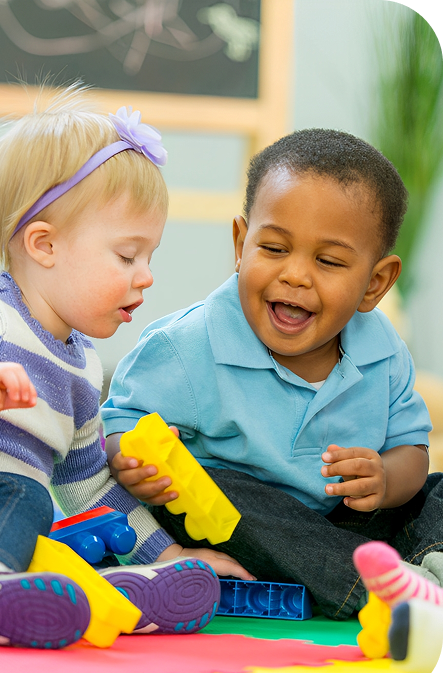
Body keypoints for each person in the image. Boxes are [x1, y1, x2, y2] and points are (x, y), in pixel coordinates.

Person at [0, 86, 227, 648]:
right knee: (22, 499)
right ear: (45, 244)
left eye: (150, 257)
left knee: (59, 524)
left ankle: (113, 594)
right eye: (127, 256)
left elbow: (90, 486)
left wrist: (169, 552)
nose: (146, 276)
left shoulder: (81, 367)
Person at [102, 128, 443, 620]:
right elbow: (116, 427)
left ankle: (421, 569)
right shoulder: (186, 346)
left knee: (436, 489)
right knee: (221, 486)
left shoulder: (382, 350)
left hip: (345, 529)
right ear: (241, 244)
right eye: (275, 249)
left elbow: (413, 449)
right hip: (239, 532)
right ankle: (383, 595)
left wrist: (387, 480)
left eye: (327, 261)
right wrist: (133, 462)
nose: (296, 275)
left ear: (376, 283)